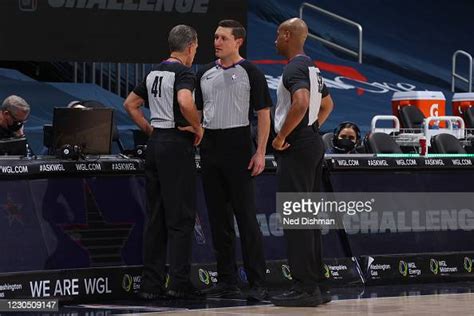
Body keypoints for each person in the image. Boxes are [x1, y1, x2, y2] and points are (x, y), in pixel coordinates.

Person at [123, 24, 203, 300]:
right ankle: (178, 282)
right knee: (181, 218)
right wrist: (198, 127)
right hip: (175, 145)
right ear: (191, 46)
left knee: (156, 217)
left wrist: (149, 130)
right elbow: (184, 101)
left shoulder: (154, 71)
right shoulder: (183, 72)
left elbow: (130, 104)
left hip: (155, 145)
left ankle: (150, 285)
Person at [195, 19, 272, 301]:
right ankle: (226, 280)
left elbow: (264, 113)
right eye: (215, 37)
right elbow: (199, 113)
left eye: (222, 38)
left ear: (238, 41)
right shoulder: (204, 73)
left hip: (239, 146)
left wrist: (260, 151)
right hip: (210, 147)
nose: (216, 42)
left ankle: (257, 281)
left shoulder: (251, 72)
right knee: (218, 220)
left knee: (247, 219)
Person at [270, 18, 334, 307]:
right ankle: (316, 284)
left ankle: (305, 288)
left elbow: (301, 102)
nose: (274, 41)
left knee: (296, 218)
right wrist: (312, 129)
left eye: (276, 35)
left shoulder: (294, 66)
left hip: (297, 145)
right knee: (308, 217)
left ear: (287, 35)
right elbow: (328, 105)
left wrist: (284, 135)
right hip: (311, 142)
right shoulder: (313, 67)